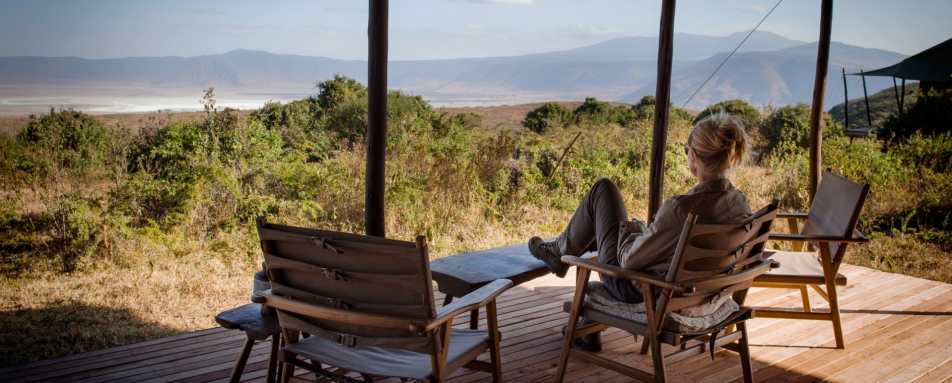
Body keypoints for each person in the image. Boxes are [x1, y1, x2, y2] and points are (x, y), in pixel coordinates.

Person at [528, 111, 751, 351]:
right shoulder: (740, 204)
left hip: (643, 290)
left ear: (694, 156)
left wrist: (634, 231)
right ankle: (585, 322)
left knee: (603, 190)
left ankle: (560, 252)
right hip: (704, 293)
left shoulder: (679, 209)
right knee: (609, 227)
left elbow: (628, 261)